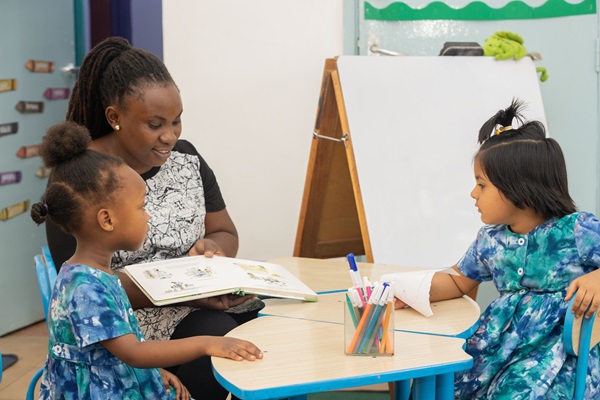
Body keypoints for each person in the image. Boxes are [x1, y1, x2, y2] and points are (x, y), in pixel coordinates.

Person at [44, 36, 263, 400]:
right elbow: (84, 279)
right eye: (156, 124)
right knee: (219, 335)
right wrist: (182, 291)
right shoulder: (82, 178)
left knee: (265, 325)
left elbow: (224, 230)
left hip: (197, 304)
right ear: (115, 117)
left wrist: (212, 249)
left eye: (177, 121)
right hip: (125, 323)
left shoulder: (187, 160)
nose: (170, 136)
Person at [394, 99, 600, 399]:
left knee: (515, 393)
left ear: (519, 187)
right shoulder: (490, 239)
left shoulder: (577, 230)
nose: (473, 193)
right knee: (442, 382)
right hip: (497, 348)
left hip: (559, 359)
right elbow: (457, 281)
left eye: (482, 185)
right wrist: (405, 291)